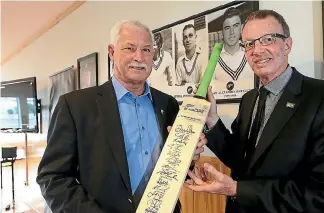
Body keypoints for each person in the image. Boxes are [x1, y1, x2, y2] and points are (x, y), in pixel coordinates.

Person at [36, 20, 207, 213]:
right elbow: (53, 177)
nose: (139, 57)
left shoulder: (168, 104)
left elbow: (172, 170)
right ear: (112, 52)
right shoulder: (75, 106)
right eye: (130, 48)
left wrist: (188, 157)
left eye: (147, 50)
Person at [185, 10, 324, 213]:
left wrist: (236, 189)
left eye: (267, 39)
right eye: (249, 44)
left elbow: (318, 195)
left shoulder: (318, 97)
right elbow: (239, 158)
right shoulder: (249, 99)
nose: (256, 50)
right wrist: (213, 120)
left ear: (287, 45)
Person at [212, 7, 254, 99]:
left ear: (241, 28)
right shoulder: (213, 61)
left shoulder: (252, 55)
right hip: (222, 112)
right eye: (227, 28)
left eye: (235, 26)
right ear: (222, 32)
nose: (231, 32)